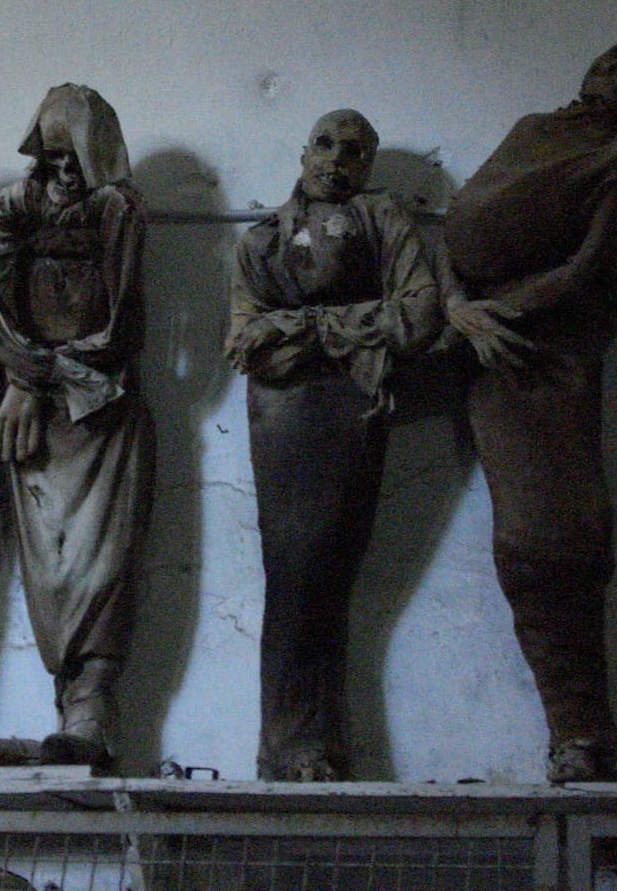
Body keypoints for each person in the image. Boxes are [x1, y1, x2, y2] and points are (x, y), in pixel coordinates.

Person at [441, 36, 617, 782]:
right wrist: (458, 307)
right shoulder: (530, 130)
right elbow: (455, 224)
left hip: (545, 351)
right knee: (526, 536)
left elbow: (587, 266)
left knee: (565, 535)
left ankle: (583, 732)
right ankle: (575, 731)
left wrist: (499, 312)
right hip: (487, 349)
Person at [227, 109, 441, 781]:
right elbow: (246, 342)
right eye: (324, 145)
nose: (336, 161)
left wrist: (308, 328)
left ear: (369, 163)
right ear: (303, 152)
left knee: (328, 570)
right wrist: (348, 331)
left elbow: (419, 316)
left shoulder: (384, 220)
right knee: (293, 571)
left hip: (353, 406)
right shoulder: (262, 239)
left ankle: (313, 742)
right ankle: (291, 745)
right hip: (283, 414)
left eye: (353, 151)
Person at [0, 84, 154, 770]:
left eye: (74, 156)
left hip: (102, 410)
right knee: (49, 572)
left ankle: (93, 717)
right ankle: (66, 722)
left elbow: (120, 327)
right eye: (51, 158)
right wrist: (23, 377)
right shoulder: (15, 207)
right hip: (37, 417)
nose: (64, 171)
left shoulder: (118, 209)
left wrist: (39, 375)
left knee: (101, 569)